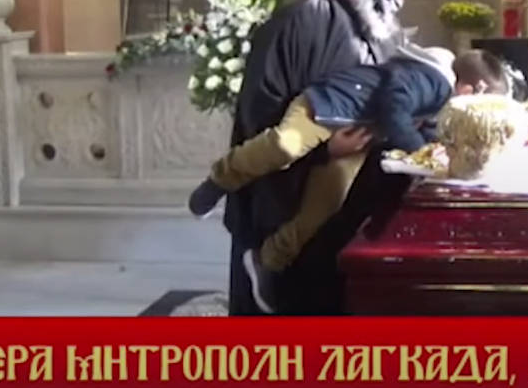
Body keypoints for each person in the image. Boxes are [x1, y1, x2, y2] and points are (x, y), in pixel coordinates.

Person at [191, 46, 507, 312]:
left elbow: (421, 127)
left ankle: (268, 260)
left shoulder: (440, 96)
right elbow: (395, 103)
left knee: (328, 202)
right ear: (473, 89)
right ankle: (221, 178)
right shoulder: (434, 78)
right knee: (285, 145)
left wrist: (437, 152)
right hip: (326, 105)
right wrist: (419, 150)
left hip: (356, 135)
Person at [224, 0, 420, 315]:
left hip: (350, 202)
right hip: (289, 203)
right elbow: (260, 114)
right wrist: (324, 148)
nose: (397, 5)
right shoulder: (303, 21)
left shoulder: (376, 29)